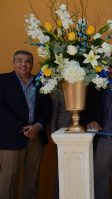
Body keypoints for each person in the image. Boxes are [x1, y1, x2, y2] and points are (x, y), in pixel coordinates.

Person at [0, 50, 52, 199]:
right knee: (8, 181)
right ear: (13, 63)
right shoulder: (3, 81)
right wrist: (21, 128)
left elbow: (47, 107)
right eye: (20, 60)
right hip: (11, 137)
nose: (24, 64)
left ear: (32, 63)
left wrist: (38, 126)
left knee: (32, 181)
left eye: (28, 61)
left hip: (36, 136)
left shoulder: (40, 82)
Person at [81, 54, 112, 199]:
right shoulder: (93, 86)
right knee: (99, 178)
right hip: (100, 139)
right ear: (105, 67)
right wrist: (89, 120)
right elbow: (81, 112)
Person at [50, 88, 72, 199]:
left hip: (85, 131)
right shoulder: (59, 86)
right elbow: (54, 110)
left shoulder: (90, 81)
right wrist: (53, 132)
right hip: (63, 131)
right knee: (62, 171)